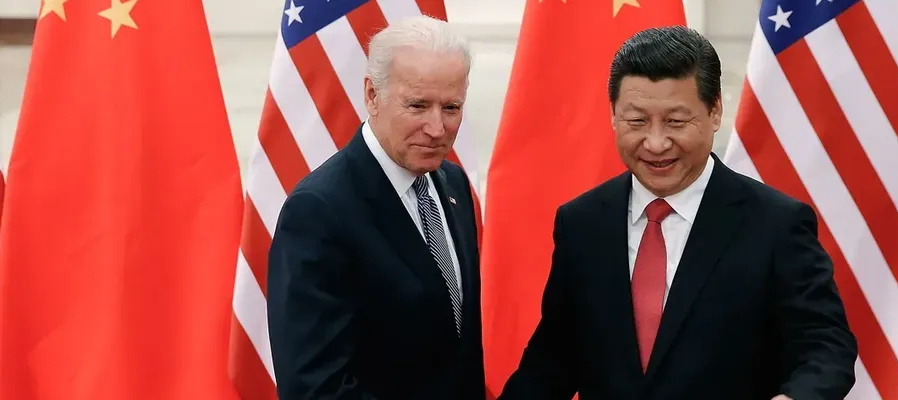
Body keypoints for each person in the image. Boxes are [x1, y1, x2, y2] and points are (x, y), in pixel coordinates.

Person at [497, 26, 858, 400]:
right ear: (613, 115)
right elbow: (552, 361)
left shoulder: (775, 224)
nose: (655, 143)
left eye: (675, 122)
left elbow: (825, 346)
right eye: (636, 121)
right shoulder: (581, 223)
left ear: (714, 111)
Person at [266, 16, 484, 400]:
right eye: (417, 106)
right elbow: (315, 387)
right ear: (372, 95)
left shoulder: (453, 186)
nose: (437, 128)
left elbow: (456, 353)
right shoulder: (318, 212)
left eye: (451, 107)